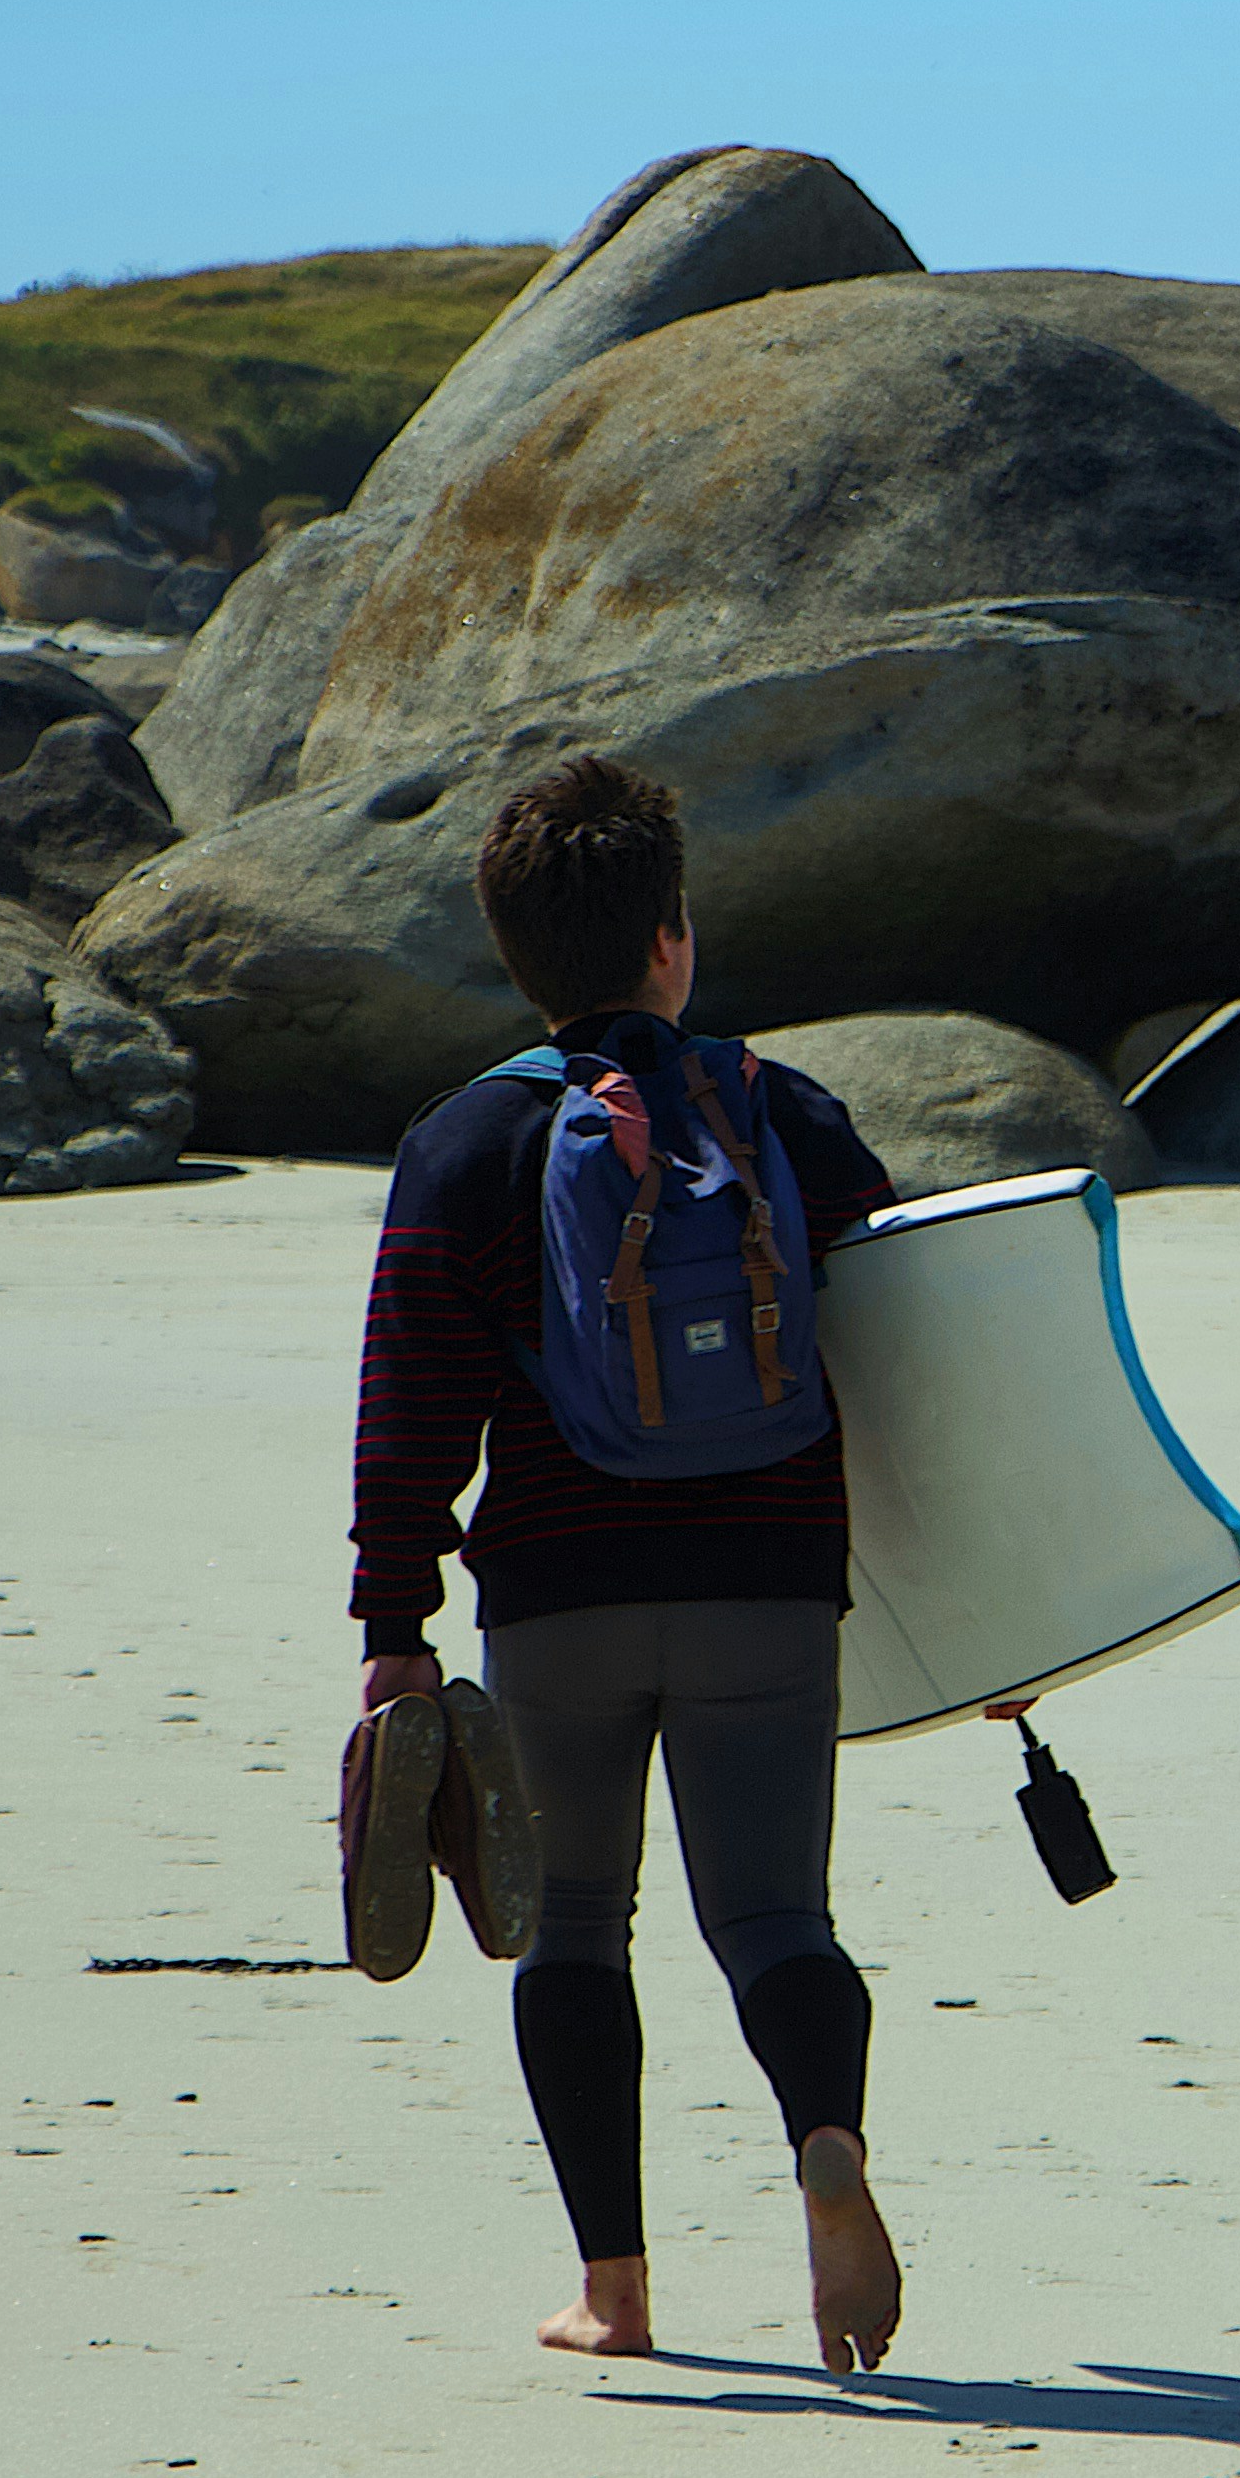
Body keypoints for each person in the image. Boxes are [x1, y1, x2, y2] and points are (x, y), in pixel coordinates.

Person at [344, 755, 911, 2370]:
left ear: (516, 956)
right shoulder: (786, 1117)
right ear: (674, 936)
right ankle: (827, 2146)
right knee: (777, 1916)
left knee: (579, 1925)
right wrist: (999, 1619)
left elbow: (409, 1405)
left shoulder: (469, 1141)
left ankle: (616, 2289)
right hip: (770, 1578)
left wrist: (396, 1622)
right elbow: (912, 1358)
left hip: (560, 1586)